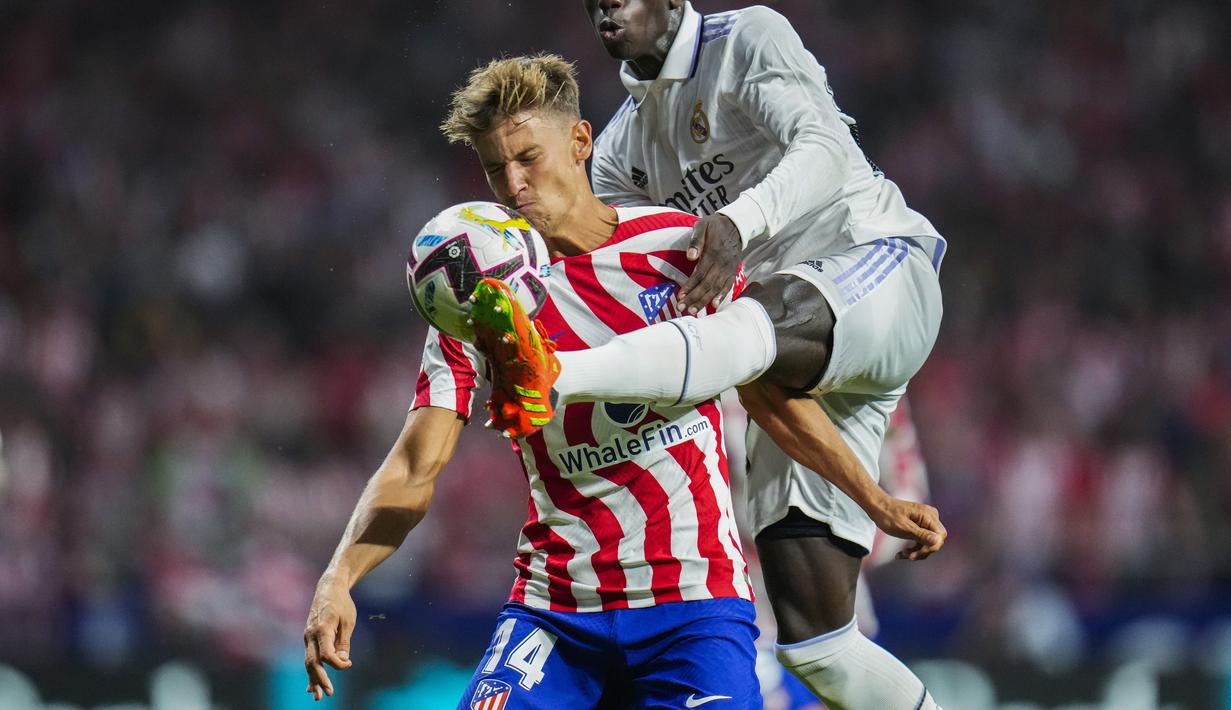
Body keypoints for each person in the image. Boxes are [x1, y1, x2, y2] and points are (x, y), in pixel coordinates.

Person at [477, 2, 950, 707]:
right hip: (787, 365)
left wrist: (735, 221)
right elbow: (631, 286)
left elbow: (823, 146)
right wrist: (876, 499)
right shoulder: (620, 151)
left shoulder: (746, 38)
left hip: (875, 266)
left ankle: (556, 376)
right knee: (818, 646)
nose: (607, 4)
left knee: (752, 319)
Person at [305, 54, 773, 709]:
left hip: (693, 603)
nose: (513, 184)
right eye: (495, 168)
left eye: (528, 158)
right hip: (557, 613)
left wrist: (868, 498)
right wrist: (339, 576)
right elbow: (415, 465)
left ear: (581, 141)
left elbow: (773, 392)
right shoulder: (477, 299)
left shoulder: (676, 250)